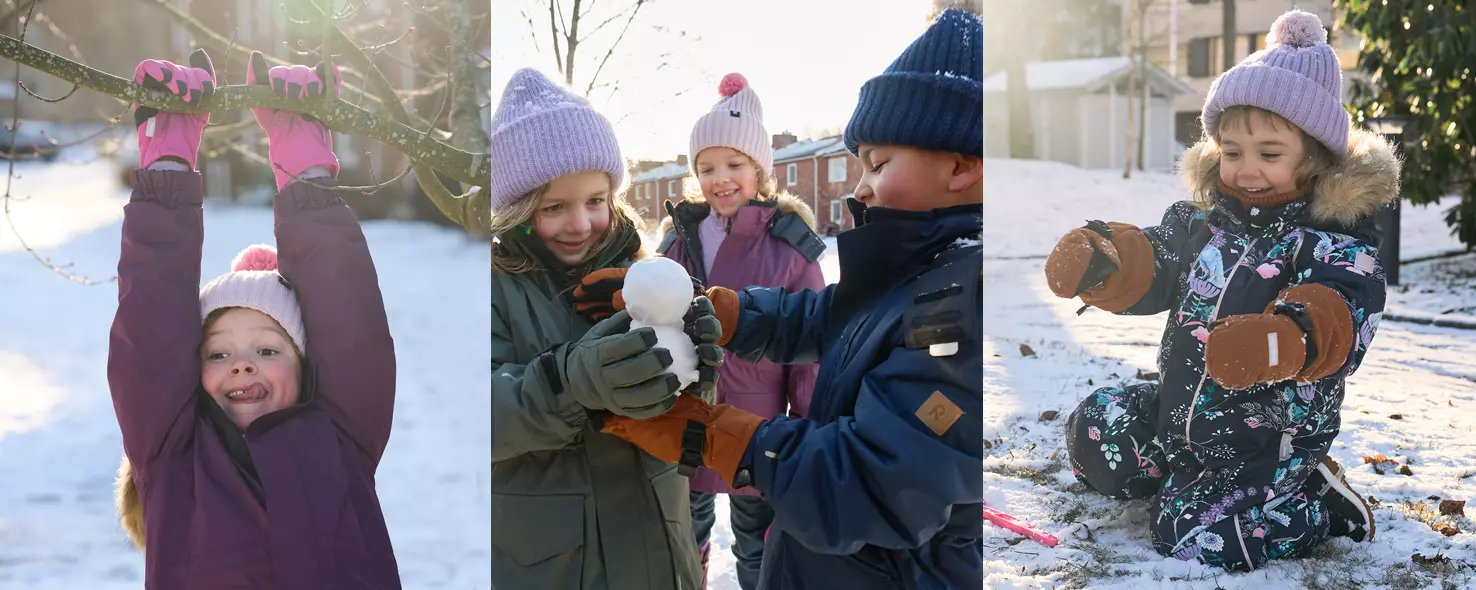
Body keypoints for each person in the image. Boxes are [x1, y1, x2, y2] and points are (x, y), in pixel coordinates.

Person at [582, 10, 985, 589]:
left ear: (963, 164)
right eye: (859, 166)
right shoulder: (918, 268)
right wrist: (711, 310)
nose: (860, 186)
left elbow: (880, 479)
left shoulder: (961, 296)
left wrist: (723, 437)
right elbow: (827, 318)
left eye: (879, 163)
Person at [1044, 10, 1397, 572]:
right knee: (1097, 430)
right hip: (1180, 414)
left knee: (1190, 534)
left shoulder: (1333, 245)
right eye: (1232, 152)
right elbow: (1156, 260)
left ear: (1315, 157)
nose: (1246, 170)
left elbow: (1341, 315)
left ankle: (1316, 503)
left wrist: (1282, 341)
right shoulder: (1204, 222)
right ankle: (1190, 472)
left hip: (1264, 438)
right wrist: (1105, 262)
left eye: (1269, 154)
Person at [110, 50, 402, 587]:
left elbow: (347, 318)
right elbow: (151, 328)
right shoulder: (173, 455)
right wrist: (168, 165)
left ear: (309, 364)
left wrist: (305, 171)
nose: (241, 367)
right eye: (218, 353)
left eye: (267, 349)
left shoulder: (340, 439)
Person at [488, 66, 721, 590]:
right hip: (554, 562)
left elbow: (690, 423)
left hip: (659, 544)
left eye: (595, 201)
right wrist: (570, 384)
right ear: (518, 212)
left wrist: (698, 366)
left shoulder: (643, 269)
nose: (581, 224)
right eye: (554, 208)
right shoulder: (493, 287)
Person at [662, 72, 826, 590]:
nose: (721, 178)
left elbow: (811, 345)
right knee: (686, 532)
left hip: (757, 427)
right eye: (706, 167)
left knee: (759, 539)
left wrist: (808, 424)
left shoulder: (789, 246)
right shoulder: (677, 241)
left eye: (735, 164)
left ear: (760, 170)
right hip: (686, 416)